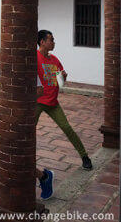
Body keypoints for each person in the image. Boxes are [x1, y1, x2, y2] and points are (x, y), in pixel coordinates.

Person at [36, 29, 92, 170]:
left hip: (53, 102)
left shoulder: (55, 60)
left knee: (67, 128)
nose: (53, 42)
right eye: (51, 40)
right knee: (29, 130)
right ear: (42, 42)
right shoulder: (34, 57)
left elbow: (60, 84)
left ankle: (84, 156)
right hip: (38, 102)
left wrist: (63, 77)